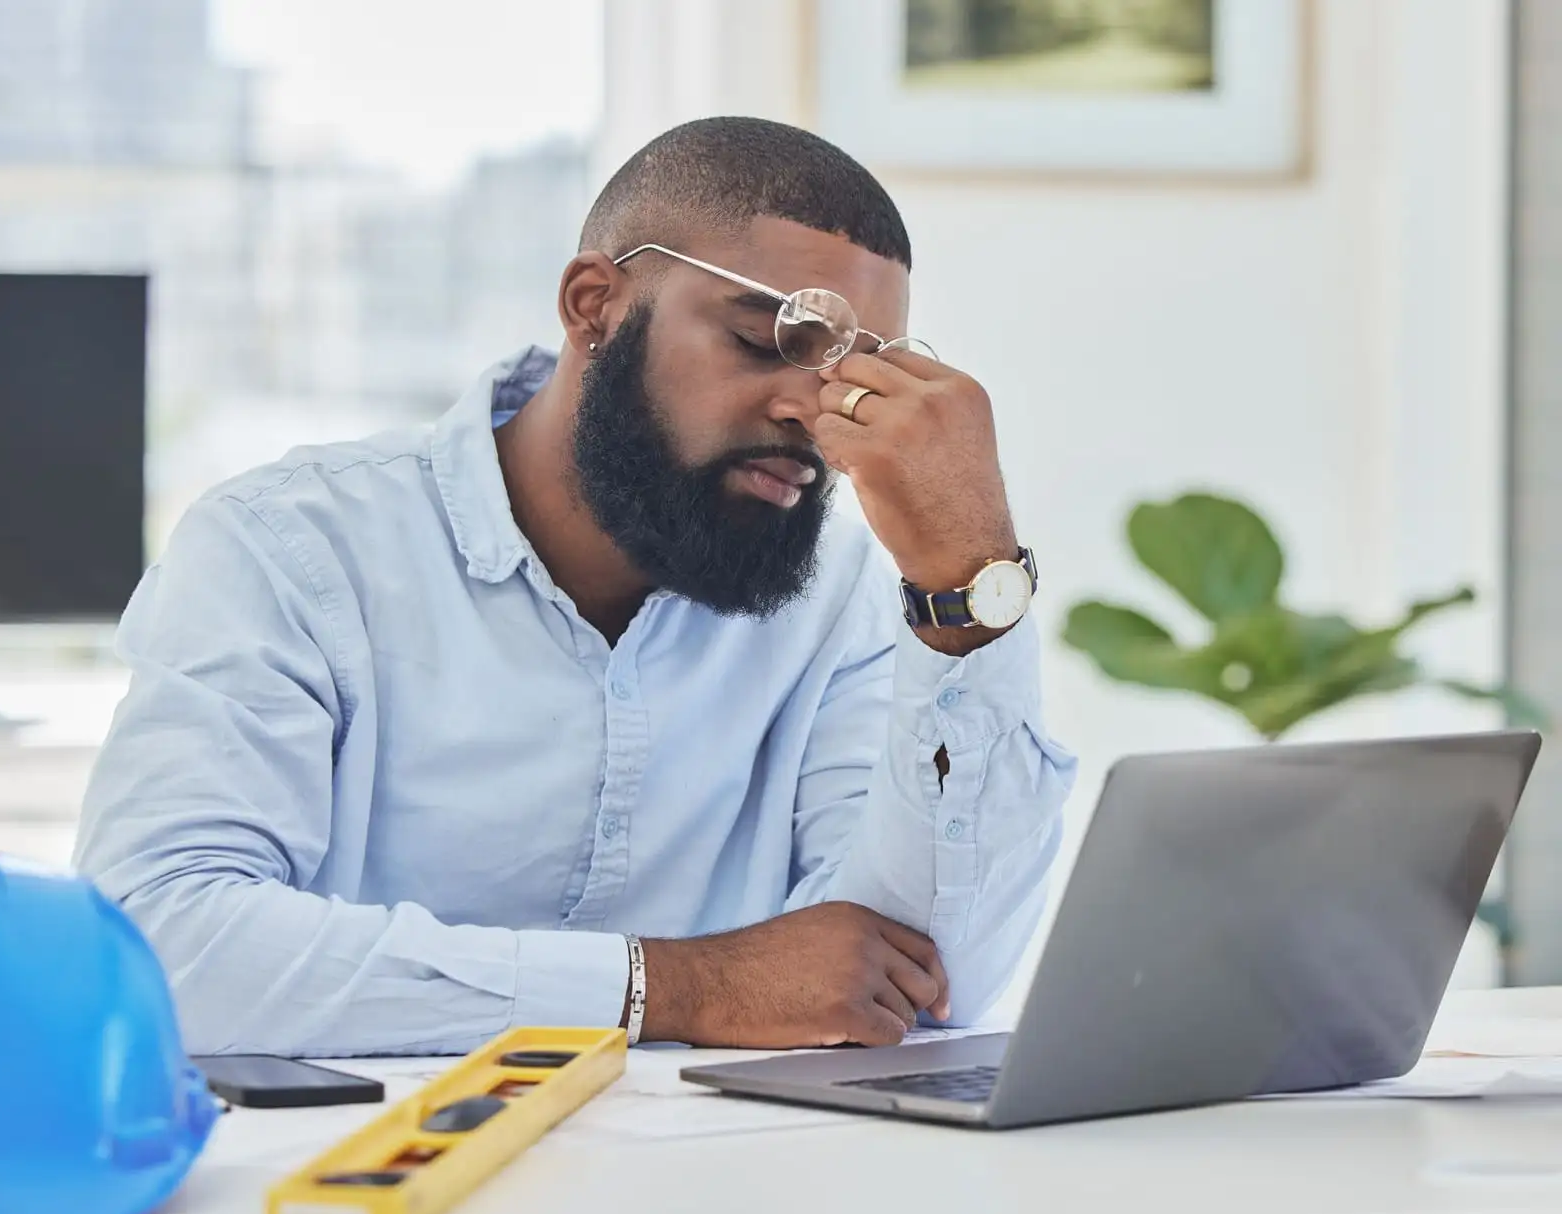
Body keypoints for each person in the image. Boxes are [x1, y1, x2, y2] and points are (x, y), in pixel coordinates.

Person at [73, 116, 1076, 1058]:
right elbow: (160, 942)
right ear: (594, 304)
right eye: (768, 339)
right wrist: (676, 987)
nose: (807, 408)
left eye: (859, 374)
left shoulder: (847, 598)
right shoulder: (291, 550)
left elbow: (926, 985)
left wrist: (965, 588)